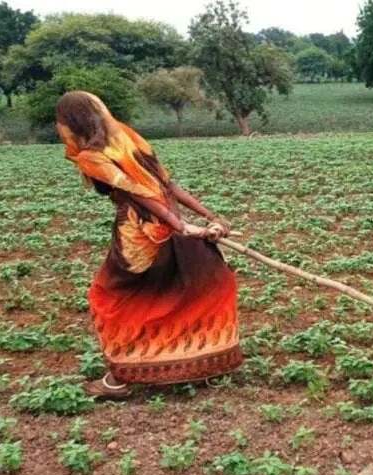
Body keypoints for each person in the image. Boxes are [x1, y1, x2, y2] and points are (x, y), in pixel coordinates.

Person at [56, 91, 242, 399]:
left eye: (60, 121)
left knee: (115, 298)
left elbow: (138, 192)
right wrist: (199, 219)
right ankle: (207, 363)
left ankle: (120, 379)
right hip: (169, 221)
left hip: (140, 234)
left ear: (72, 122)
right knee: (193, 286)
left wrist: (186, 224)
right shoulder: (127, 138)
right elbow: (168, 185)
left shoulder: (91, 156)